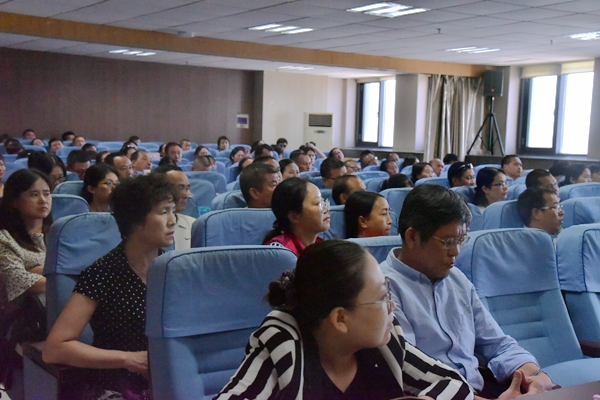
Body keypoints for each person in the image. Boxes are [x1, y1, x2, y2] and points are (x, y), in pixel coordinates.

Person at [215, 240, 475, 400]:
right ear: (340, 318)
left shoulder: (385, 342)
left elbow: (454, 383)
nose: (392, 306)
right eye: (383, 297)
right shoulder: (283, 346)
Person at [380, 185, 552, 398]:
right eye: (448, 242)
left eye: (461, 240)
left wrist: (535, 376)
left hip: (479, 388)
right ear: (412, 237)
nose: (456, 251)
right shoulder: (383, 288)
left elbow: (497, 344)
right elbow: (411, 376)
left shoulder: (456, 278)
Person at [42, 174, 178, 398]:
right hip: (118, 386)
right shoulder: (102, 273)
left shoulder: (176, 269)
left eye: (173, 211)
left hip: (171, 382)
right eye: (164, 212)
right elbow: (55, 348)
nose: (173, 220)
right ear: (134, 220)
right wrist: (128, 359)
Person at [0, 169, 52, 307]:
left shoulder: (61, 233)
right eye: (34, 194)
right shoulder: (4, 239)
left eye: (47, 194)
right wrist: (66, 281)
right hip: (26, 311)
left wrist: (36, 270)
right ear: (14, 201)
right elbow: (19, 280)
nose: (43, 200)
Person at [263, 178, 330, 256]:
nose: (326, 209)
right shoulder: (279, 251)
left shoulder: (322, 246)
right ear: (294, 217)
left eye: (323, 202)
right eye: (318, 203)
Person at [152, 166, 195, 250]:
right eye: (180, 188)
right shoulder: (147, 228)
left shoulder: (193, 225)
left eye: (187, 188)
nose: (186, 195)